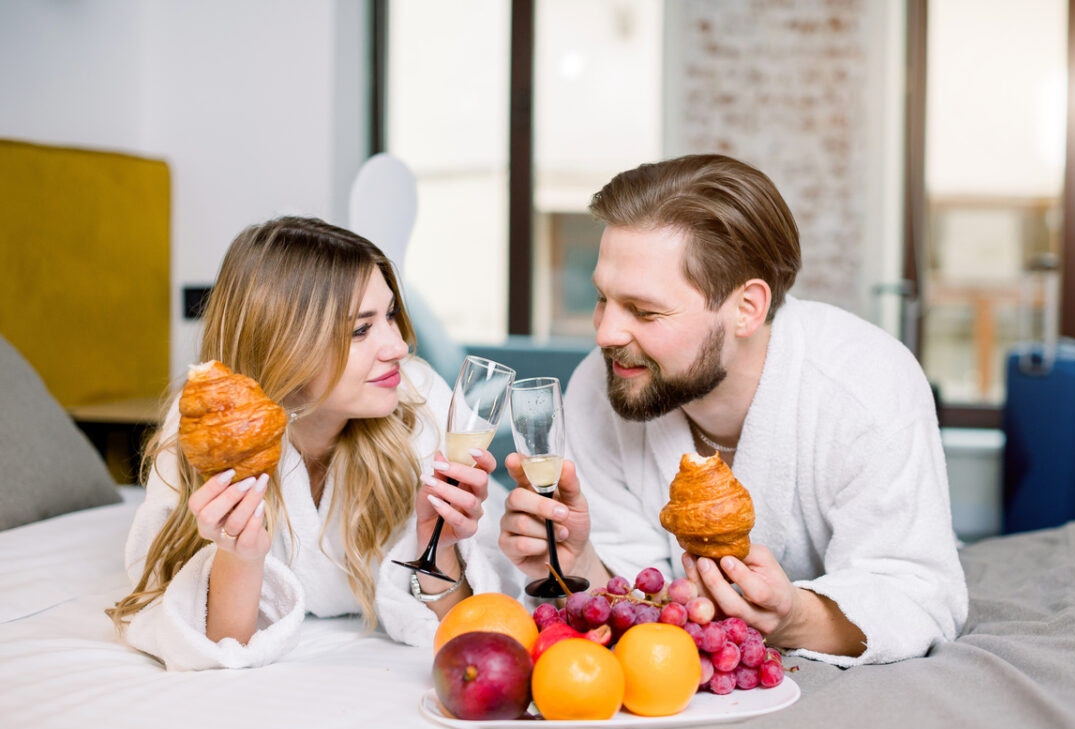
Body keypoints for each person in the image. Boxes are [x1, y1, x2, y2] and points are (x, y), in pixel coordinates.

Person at [498, 154, 967, 666]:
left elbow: (917, 592)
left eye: (644, 311)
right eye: (602, 299)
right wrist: (577, 560)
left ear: (747, 308)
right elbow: (638, 598)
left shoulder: (868, 386)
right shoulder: (600, 384)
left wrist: (793, 618)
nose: (606, 334)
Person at [109, 217, 519, 670]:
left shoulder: (418, 406)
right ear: (283, 344)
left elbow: (465, 631)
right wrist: (238, 555)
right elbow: (219, 644)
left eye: (390, 316)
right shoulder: (209, 430)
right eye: (361, 330)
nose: (399, 347)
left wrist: (437, 545)